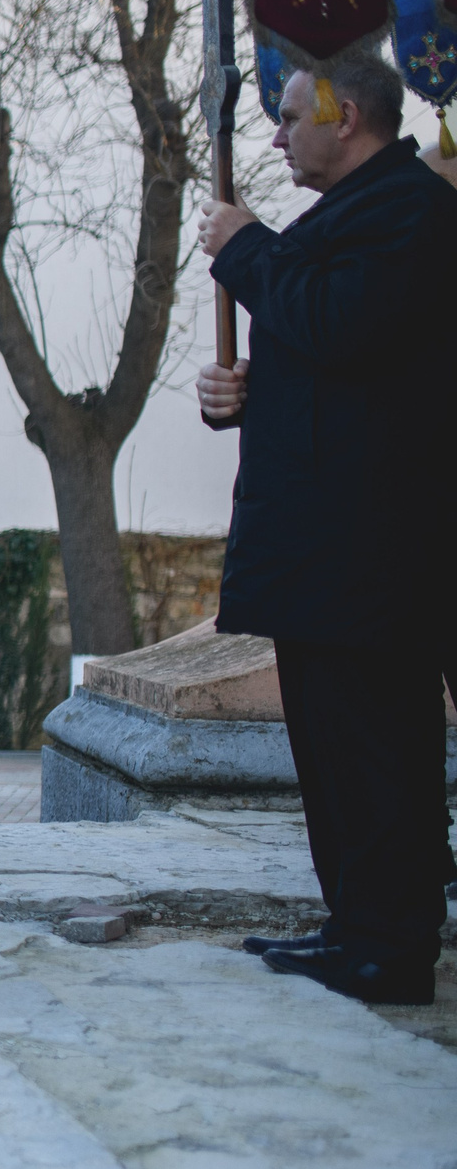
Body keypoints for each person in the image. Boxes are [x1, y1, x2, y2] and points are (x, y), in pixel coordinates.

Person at [194, 55, 457, 1005]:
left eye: (293, 114)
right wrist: (247, 395)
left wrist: (248, 248)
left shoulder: (412, 211)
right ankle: (355, 924)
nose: (275, 135)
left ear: (349, 118)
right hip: (327, 547)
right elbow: (339, 368)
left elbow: (345, 324)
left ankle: (390, 943)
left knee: (377, 749)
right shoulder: (356, 212)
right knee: (336, 750)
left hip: (372, 549)